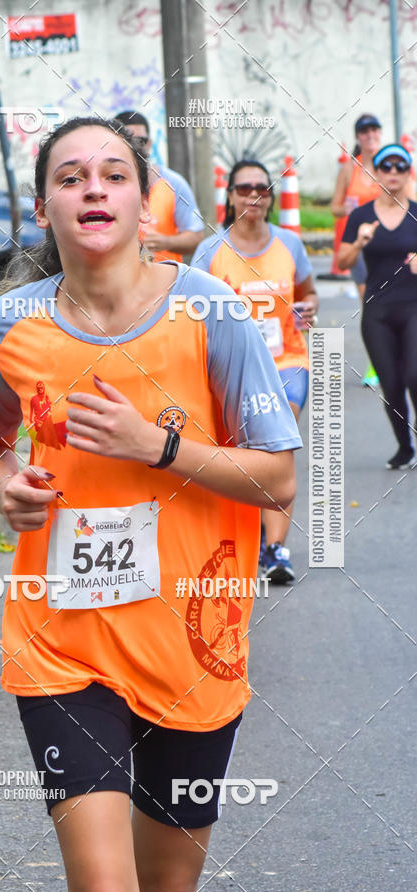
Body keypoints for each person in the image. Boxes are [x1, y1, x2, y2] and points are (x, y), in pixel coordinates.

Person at [0, 116, 301, 892]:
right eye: (70, 176)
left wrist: (159, 446)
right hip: (62, 641)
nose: (92, 188)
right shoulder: (11, 326)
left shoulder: (214, 315)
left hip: (192, 643)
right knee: (105, 889)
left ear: (146, 205)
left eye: (113, 174)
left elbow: (277, 479)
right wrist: (3, 483)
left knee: (165, 888)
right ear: (43, 208)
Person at [192, 159, 318, 585]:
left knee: (275, 445)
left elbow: (308, 293)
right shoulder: (210, 252)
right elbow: (190, 315)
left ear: (270, 197)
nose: (253, 196)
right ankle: (243, 533)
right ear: (230, 196)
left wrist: (310, 308)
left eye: (261, 189)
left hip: (287, 362)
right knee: (239, 451)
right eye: (244, 188)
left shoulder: (290, 245)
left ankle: (275, 548)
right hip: (229, 368)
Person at [338, 143, 417, 470]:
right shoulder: (361, 216)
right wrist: (359, 241)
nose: (394, 172)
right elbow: (342, 260)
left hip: (414, 307)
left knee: (415, 375)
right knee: (391, 384)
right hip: (377, 312)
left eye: (401, 167)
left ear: (408, 172)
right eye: (387, 166)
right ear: (377, 172)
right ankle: (405, 447)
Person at [331, 114, 414, 388]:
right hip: (364, 245)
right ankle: (380, 360)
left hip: (396, 243)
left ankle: (387, 358)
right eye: (364, 131)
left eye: (374, 130)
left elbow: (412, 200)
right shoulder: (349, 169)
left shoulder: (394, 164)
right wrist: (347, 211)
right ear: (358, 137)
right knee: (370, 301)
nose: (370, 135)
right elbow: (334, 207)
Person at [114, 110, 205, 262]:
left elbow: (196, 236)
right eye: (127, 141)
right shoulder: (102, 187)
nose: (134, 147)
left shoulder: (173, 183)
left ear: (149, 143)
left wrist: (165, 242)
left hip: (167, 283)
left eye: (140, 141)